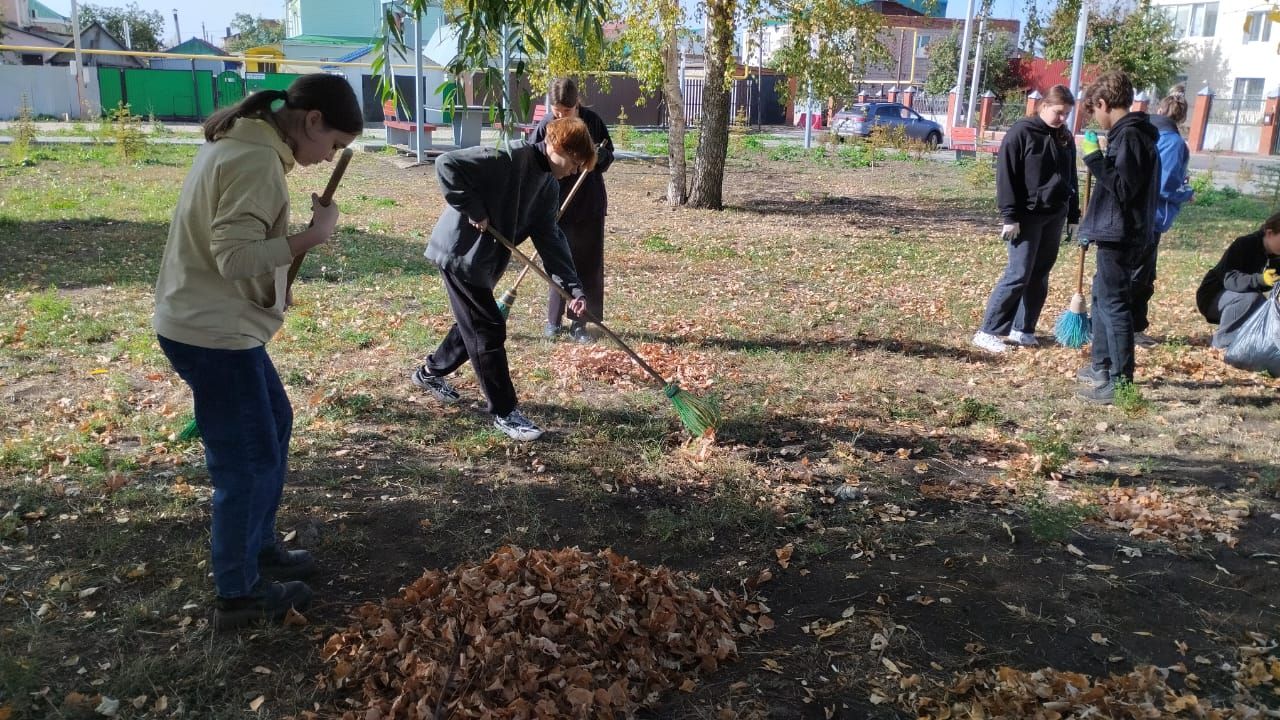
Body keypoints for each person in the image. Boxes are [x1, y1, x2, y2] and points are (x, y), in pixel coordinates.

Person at [153, 75, 363, 630]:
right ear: (311, 120)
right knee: (246, 462)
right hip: (212, 333)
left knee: (273, 421)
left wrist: (278, 275)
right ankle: (239, 597)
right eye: (334, 144)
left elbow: (239, 250)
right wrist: (312, 237)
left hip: (215, 322)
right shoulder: (255, 162)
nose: (329, 157)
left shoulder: (250, 145)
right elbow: (234, 258)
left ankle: (258, 548)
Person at [410, 117, 595, 441]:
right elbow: (446, 164)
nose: (574, 170)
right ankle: (505, 412)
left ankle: (429, 372)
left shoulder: (548, 187)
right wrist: (473, 208)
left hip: (483, 262)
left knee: (472, 325)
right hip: (459, 253)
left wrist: (573, 289)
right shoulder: (508, 156)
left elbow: (550, 239)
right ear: (558, 146)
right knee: (488, 327)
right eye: (575, 161)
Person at [972, 85, 1080, 354]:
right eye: (1058, 112)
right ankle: (989, 331)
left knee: (1040, 274)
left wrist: (1074, 214)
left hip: (1054, 214)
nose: (1063, 119)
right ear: (1043, 106)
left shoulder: (1064, 137)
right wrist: (1010, 216)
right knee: (1018, 273)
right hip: (1026, 216)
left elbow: (1071, 177)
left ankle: (1024, 329)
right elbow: (1006, 176)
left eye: (1067, 114)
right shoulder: (1021, 133)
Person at [1074, 71, 1160, 404]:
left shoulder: (1132, 137)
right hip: (1113, 231)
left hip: (1122, 235)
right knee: (1101, 299)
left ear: (1103, 103)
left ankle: (1121, 383)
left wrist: (1094, 159)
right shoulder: (1127, 136)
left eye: (1094, 111)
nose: (1096, 118)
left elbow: (1124, 188)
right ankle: (1102, 366)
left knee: (1115, 306)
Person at [531, 78, 615, 343]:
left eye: (565, 111)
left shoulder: (592, 121)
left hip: (588, 202)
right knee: (560, 261)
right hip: (557, 203)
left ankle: (580, 324)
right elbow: (534, 157)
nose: (560, 115)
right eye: (556, 110)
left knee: (588, 264)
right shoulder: (546, 125)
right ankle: (553, 321)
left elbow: (608, 155)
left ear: (576, 104)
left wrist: (598, 157)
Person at [1133, 88, 1195, 348]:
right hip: (1151, 217)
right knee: (1140, 276)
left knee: (1142, 274)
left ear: (1159, 110)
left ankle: (1131, 326)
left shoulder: (1144, 131)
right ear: (1181, 118)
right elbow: (1164, 185)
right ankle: (1130, 329)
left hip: (1136, 212)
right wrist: (1186, 192)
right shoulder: (1172, 141)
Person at [1196, 211, 1280, 349]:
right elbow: (1230, 279)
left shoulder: (1275, 255)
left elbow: (1266, 286)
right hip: (1212, 296)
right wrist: (1260, 279)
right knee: (1251, 298)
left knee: (1266, 307)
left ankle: (1245, 341)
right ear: (1270, 233)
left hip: (1241, 297)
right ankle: (1222, 343)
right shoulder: (1244, 244)